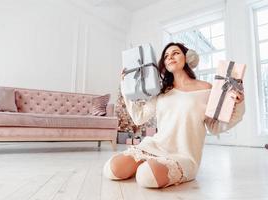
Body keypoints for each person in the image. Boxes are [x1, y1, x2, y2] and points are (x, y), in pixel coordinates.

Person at [103, 42, 245, 188]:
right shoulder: (161, 91)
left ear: (187, 57)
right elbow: (139, 117)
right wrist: (126, 84)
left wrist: (238, 105)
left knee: (146, 177)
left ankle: (153, 167)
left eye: (175, 53)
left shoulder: (206, 89)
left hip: (183, 155)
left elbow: (215, 127)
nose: (170, 57)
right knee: (112, 169)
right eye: (166, 56)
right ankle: (151, 163)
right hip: (155, 146)